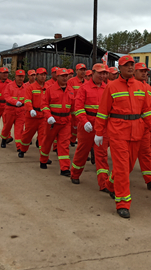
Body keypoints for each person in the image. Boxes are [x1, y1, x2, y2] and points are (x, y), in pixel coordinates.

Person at [94, 55, 151, 219]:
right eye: (126, 65)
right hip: (118, 133)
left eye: (132, 65)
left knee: (127, 166)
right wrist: (99, 132)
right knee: (122, 168)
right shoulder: (112, 87)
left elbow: (147, 111)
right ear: (120, 68)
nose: (130, 67)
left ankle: (110, 184)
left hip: (136, 132)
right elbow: (103, 111)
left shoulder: (141, 87)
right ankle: (123, 203)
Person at [70, 63, 111, 191]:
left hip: (102, 126)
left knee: (102, 155)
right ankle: (75, 174)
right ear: (93, 73)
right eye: (100, 73)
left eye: (104, 73)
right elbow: (78, 107)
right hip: (87, 126)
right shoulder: (84, 88)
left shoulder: (108, 88)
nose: (102, 76)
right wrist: (84, 121)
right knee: (82, 151)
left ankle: (104, 183)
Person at [40, 68, 73, 175]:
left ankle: (65, 168)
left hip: (66, 122)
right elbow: (44, 105)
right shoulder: (50, 89)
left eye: (66, 76)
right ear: (57, 77)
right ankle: (43, 160)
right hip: (52, 122)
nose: (65, 78)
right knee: (47, 142)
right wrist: (48, 116)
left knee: (64, 144)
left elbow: (73, 107)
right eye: (62, 76)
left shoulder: (71, 90)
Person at [133, 62, 151, 189]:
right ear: (134, 72)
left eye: (145, 71)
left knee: (146, 153)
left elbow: (150, 109)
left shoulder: (149, 88)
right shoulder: (129, 86)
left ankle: (149, 180)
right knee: (128, 157)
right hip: (132, 126)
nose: (144, 73)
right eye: (141, 71)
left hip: (145, 127)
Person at [19, 68, 48, 158]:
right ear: (37, 76)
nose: (43, 77)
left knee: (43, 137)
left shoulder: (48, 87)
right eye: (41, 75)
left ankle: (43, 157)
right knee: (27, 135)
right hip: (32, 116)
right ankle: (22, 149)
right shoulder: (31, 87)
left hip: (43, 116)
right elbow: (27, 100)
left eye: (44, 75)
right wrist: (31, 109)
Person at [0, 70, 27, 152]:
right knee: (7, 127)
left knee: (19, 129)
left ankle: (19, 146)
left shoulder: (26, 87)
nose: (21, 78)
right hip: (10, 110)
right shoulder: (9, 86)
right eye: (19, 76)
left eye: (22, 77)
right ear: (15, 76)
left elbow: (28, 97)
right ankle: (4, 139)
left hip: (21, 111)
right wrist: (15, 102)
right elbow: (6, 96)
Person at [68, 63, 87, 147]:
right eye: (81, 70)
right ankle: (70, 140)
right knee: (72, 127)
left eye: (84, 70)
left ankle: (74, 140)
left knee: (79, 127)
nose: (83, 72)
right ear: (76, 71)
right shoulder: (71, 81)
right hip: (73, 109)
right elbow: (69, 94)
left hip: (82, 109)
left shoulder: (87, 83)